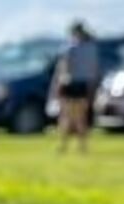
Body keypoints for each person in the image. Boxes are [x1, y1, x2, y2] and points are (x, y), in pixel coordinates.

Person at [52, 22, 100, 154]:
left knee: (66, 116)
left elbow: (64, 69)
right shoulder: (91, 48)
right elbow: (94, 71)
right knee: (81, 118)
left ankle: (63, 145)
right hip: (84, 86)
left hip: (70, 85)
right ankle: (82, 146)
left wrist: (57, 87)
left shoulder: (70, 48)